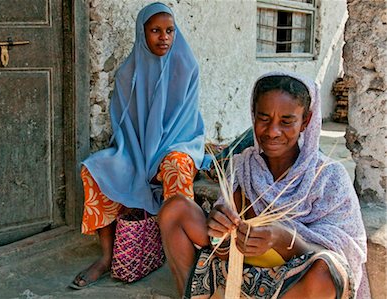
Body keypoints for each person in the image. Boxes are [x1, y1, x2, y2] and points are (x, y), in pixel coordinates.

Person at [158, 71, 369, 298]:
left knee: (327, 272)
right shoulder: (242, 165)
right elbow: (221, 248)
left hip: (292, 282)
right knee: (175, 208)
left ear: (305, 121)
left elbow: (346, 255)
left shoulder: (328, 176)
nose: (272, 131)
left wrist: (284, 240)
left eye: (286, 121)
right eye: (264, 118)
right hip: (239, 271)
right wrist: (219, 229)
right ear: (253, 115)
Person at [70, 2, 211, 289]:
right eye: (155, 31)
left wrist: (157, 156)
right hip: (136, 148)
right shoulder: (128, 73)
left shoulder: (187, 67)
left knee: (177, 168)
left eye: (170, 31)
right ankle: (107, 257)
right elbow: (125, 124)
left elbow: (183, 122)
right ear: (142, 33)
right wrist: (135, 157)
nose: (164, 38)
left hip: (176, 143)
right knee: (95, 168)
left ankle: (188, 261)